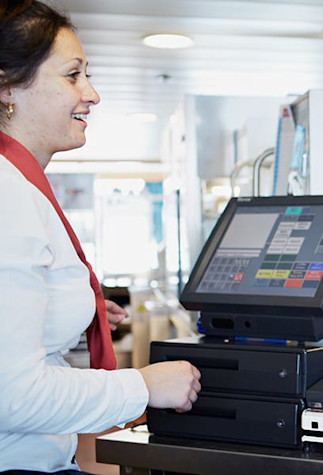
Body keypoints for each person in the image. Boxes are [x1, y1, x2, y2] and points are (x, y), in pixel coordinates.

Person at [0, 1, 201, 472]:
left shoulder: (19, 184)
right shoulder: (7, 195)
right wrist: (144, 387)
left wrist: (70, 306)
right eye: (72, 76)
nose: (91, 94)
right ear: (7, 83)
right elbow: (12, 394)